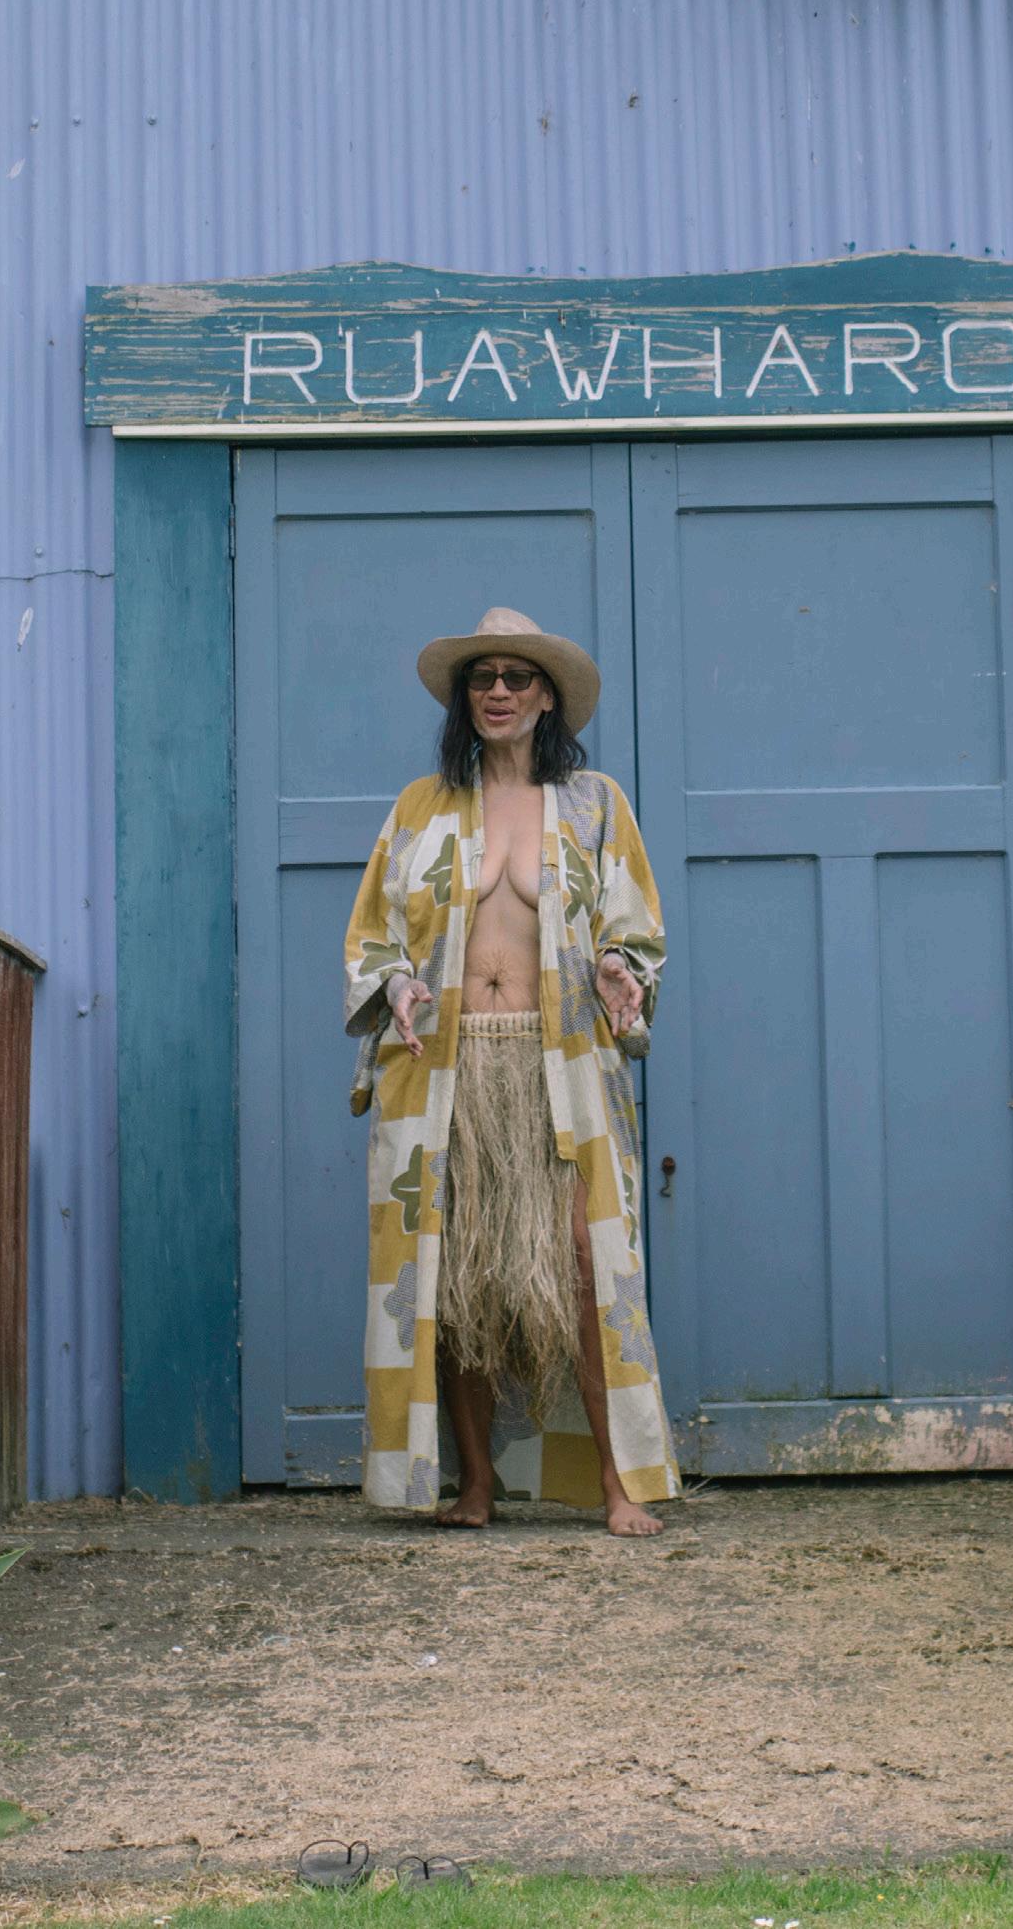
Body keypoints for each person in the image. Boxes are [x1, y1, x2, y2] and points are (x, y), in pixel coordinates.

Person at [343, 605, 677, 1533]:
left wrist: (619, 969)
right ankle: (476, 1484)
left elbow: (634, 925)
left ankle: (617, 1484)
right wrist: (397, 984)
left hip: (557, 1065)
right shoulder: (419, 807)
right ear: (464, 698)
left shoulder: (594, 803)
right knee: (454, 1275)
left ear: (547, 697)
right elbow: (373, 933)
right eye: (482, 677)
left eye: (516, 677)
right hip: (445, 1070)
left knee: (585, 1263)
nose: (498, 691)